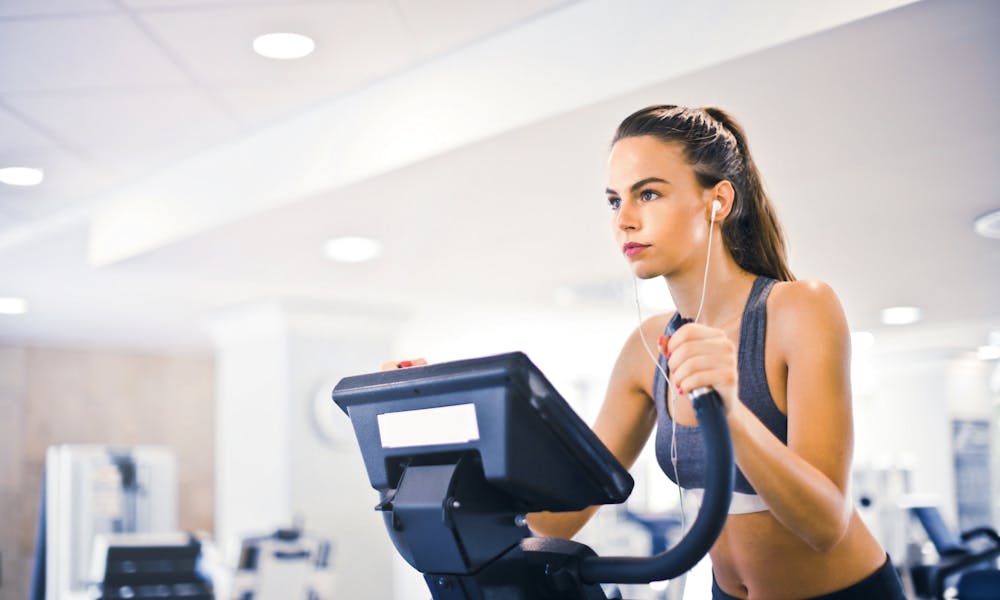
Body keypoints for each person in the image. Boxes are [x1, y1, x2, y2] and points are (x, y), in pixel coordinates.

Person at [389, 105, 908, 599]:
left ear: (718, 200)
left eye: (649, 194)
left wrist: (727, 409)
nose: (625, 220)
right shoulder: (646, 351)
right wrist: (431, 435)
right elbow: (562, 516)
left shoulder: (799, 309)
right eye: (615, 200)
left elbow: (825, 524)